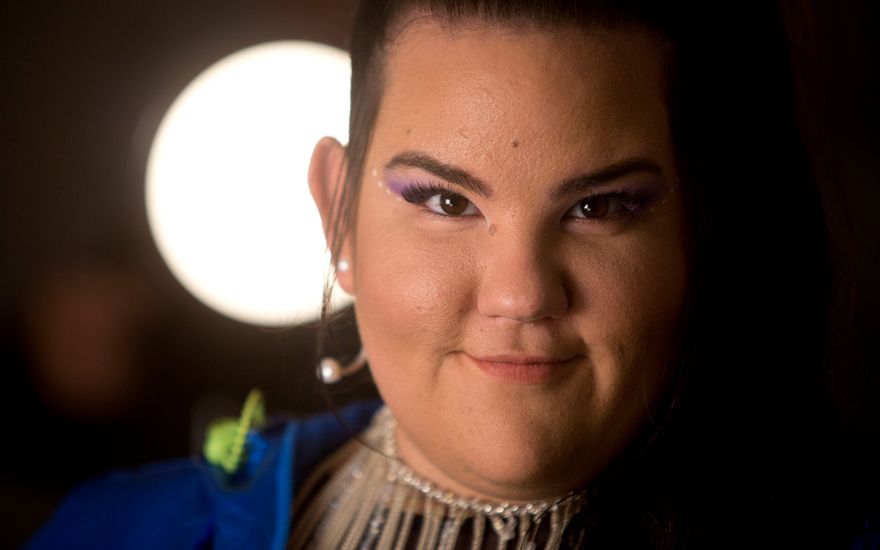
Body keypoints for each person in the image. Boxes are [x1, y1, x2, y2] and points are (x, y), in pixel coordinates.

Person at [26, 1, 868, 548]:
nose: (520, 295)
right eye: (444, 202)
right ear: (338, 213)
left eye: (602, 208)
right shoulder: (117, 531)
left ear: (702, 232)